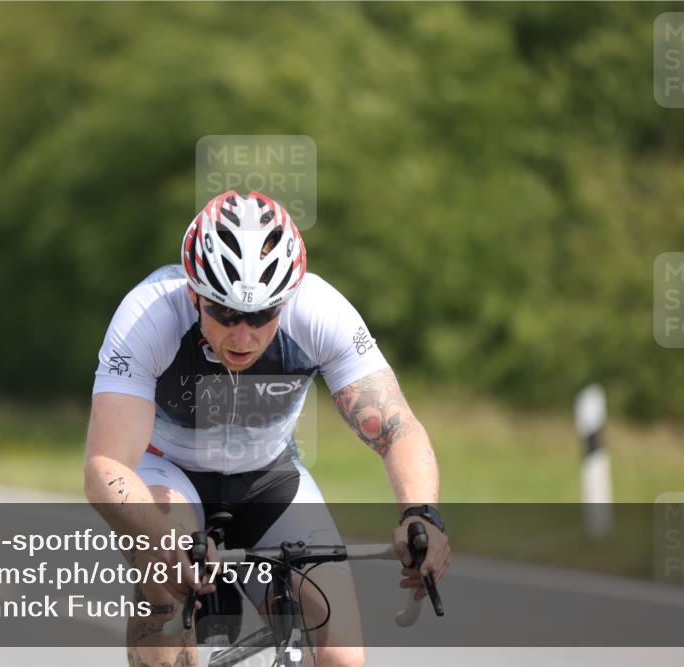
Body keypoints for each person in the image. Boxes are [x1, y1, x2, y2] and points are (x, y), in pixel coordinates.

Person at [84, 191, 449, 667]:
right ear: (193, 293)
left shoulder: (320, 312)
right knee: (166, 588)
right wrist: (164, 543)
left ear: (287, 298)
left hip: (268, 476)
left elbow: (398, 429)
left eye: (260, 316)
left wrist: (421, 514)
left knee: (345, 656)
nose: (243, 335)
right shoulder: (148, 316)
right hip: (168, 473)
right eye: (225, 313)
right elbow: (105, 466)